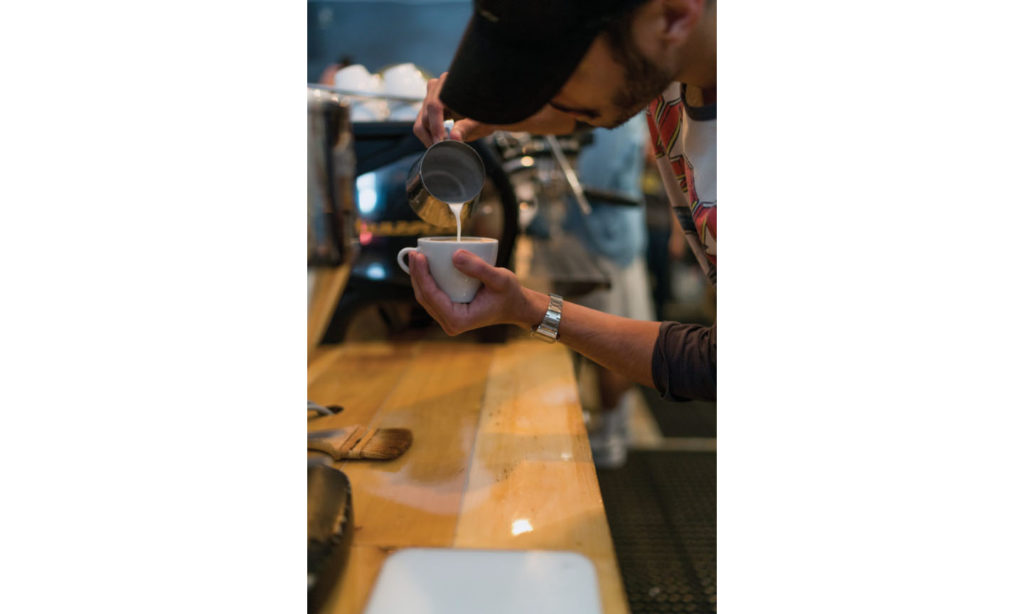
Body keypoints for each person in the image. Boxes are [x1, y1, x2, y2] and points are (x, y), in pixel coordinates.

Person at [409, 0, 717, 404]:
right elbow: (592, 106)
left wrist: (530, 310)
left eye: (560, 65)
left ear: (675, 15)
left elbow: (714, 366)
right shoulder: (676, 54)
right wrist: (497, 108)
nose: (545, 88)